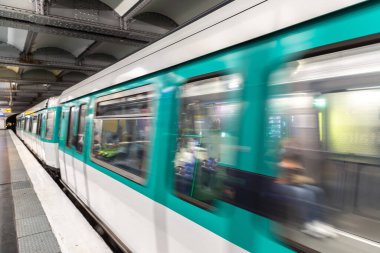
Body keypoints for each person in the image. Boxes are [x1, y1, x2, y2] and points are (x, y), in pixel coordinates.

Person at [275, 138, 337, 239]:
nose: (296, 149)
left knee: (318, 191)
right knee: (306, 194)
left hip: (292, 182)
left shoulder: (296, 158)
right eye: (292, 146)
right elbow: (281, 173)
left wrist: (300, 178)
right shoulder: (281, 157)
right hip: (280, 184)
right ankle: (309, 223)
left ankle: (321, 221)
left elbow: (297, 175)